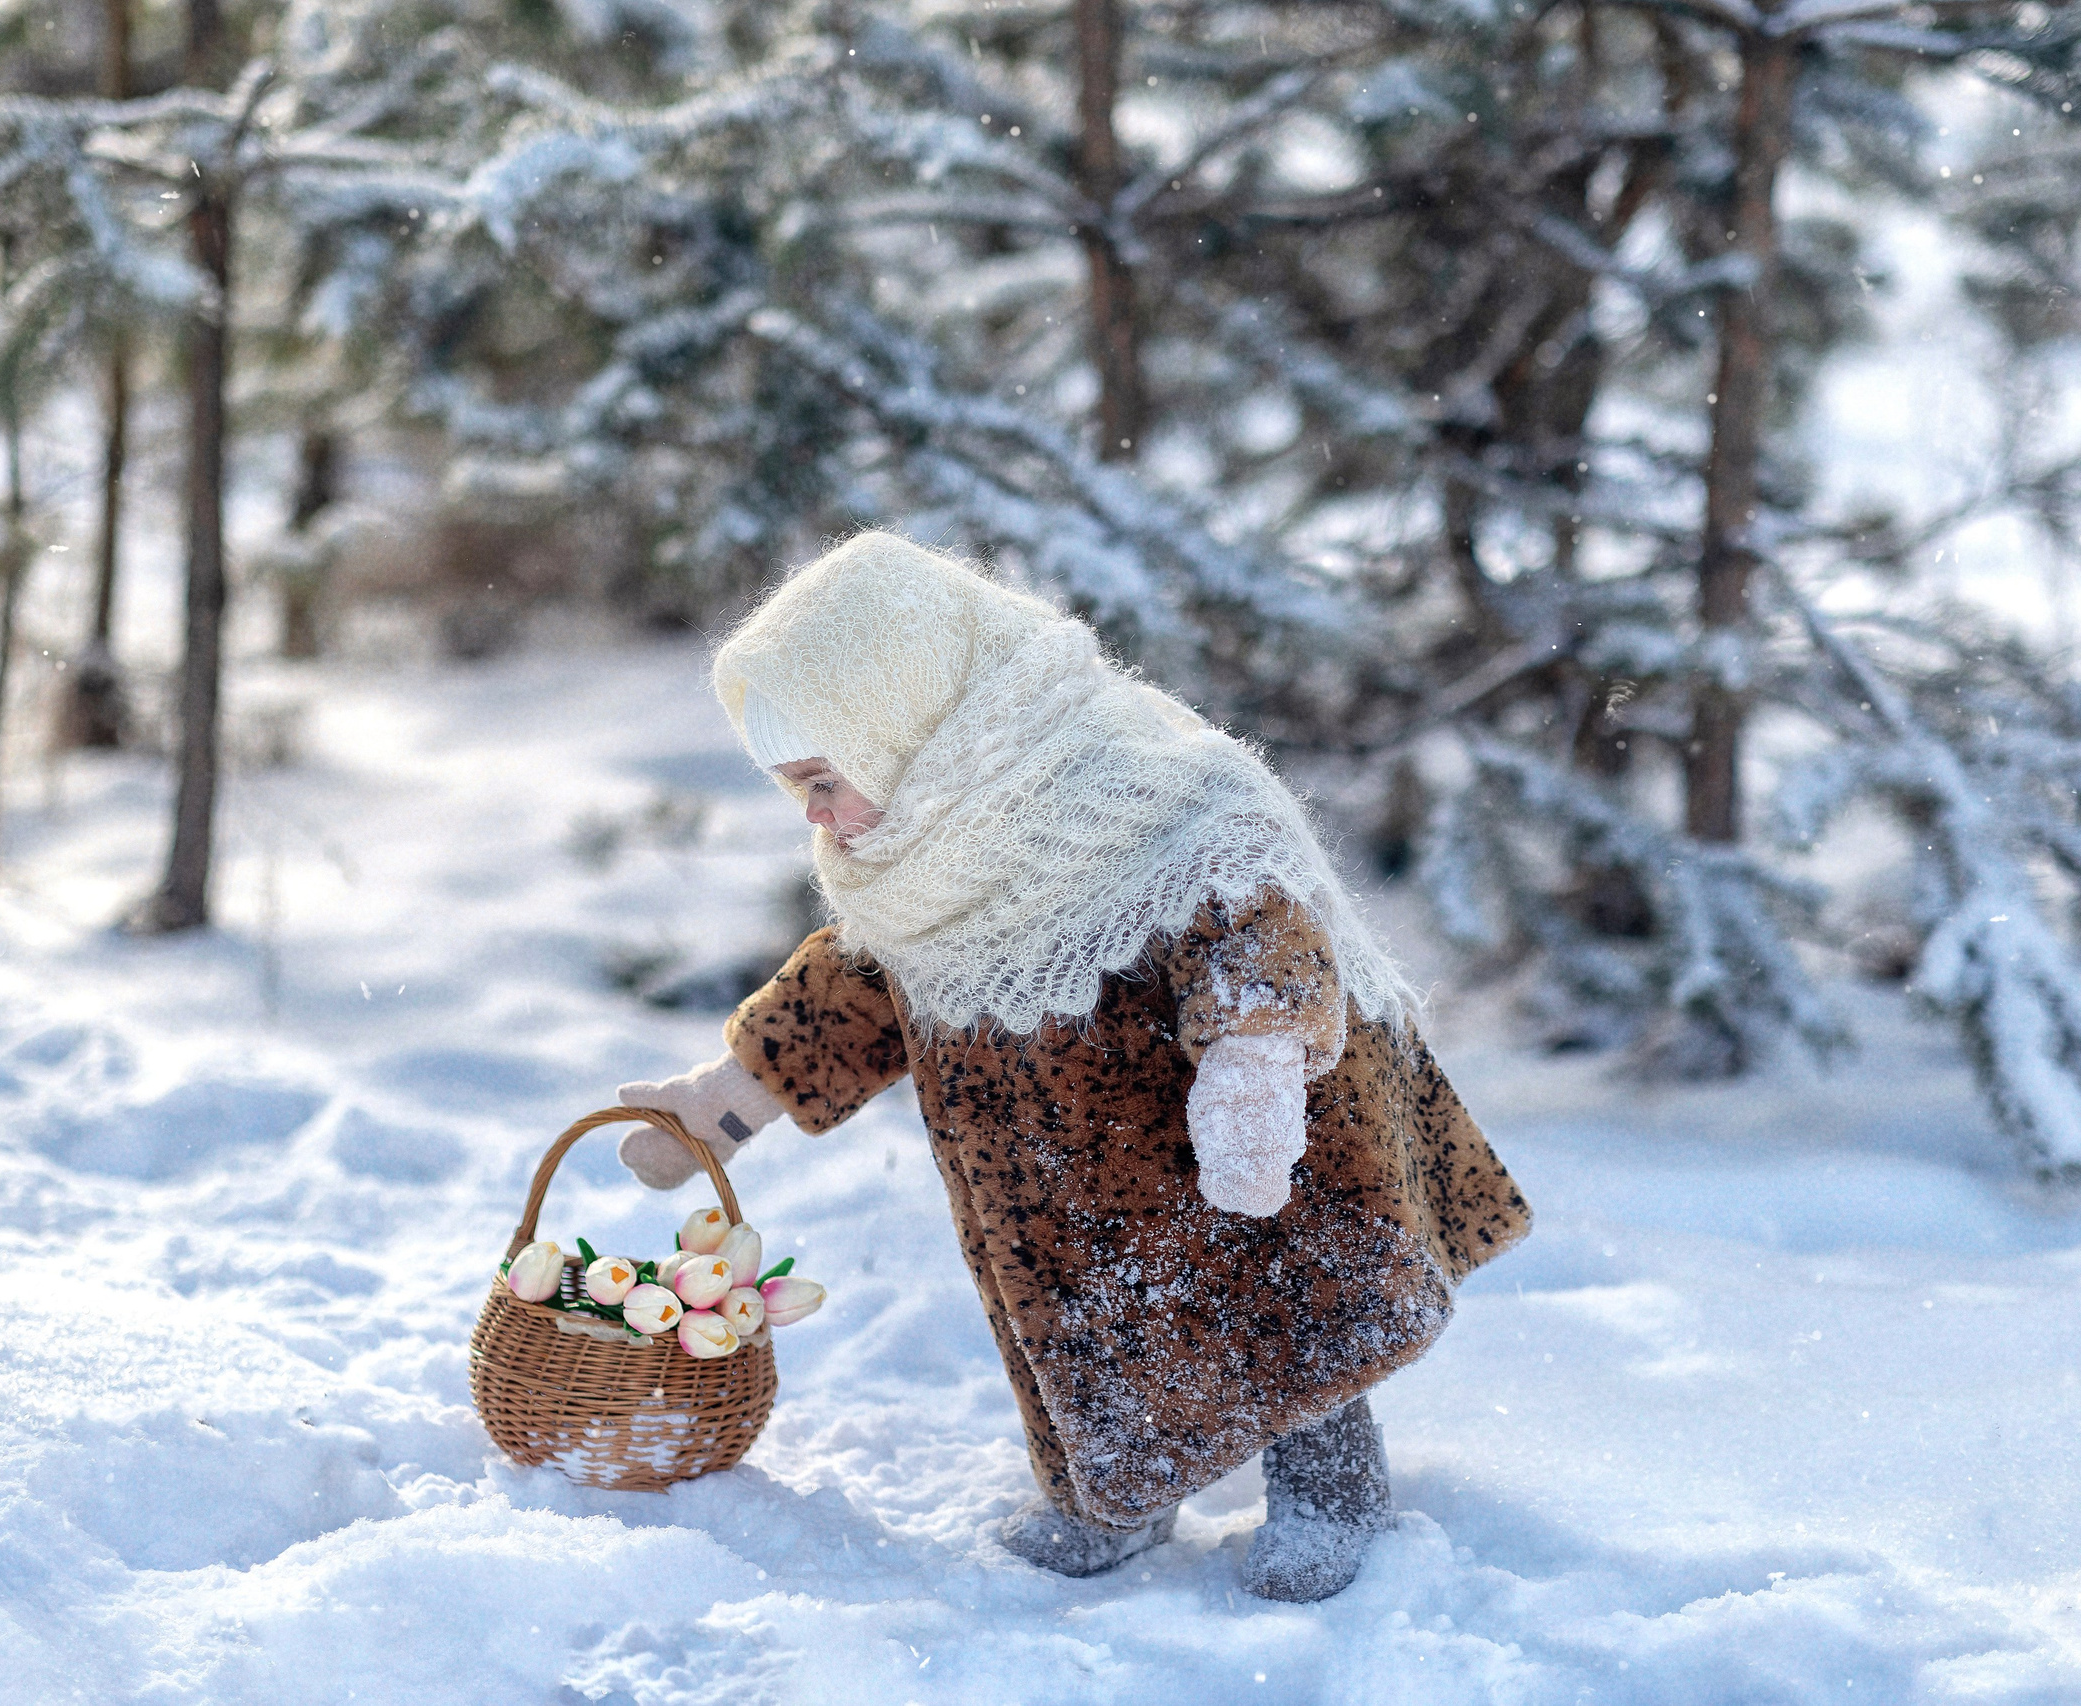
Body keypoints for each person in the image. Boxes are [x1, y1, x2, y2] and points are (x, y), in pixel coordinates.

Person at [614, 532, 1531, 1603]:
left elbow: (1250, 905)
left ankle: (1331, 1489)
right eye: (794, 788)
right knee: (1089, 1328)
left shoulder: (1144, 785)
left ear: (904, 729)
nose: (813, 814)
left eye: (824, 777)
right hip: (1052, 1181)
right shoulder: (910, 865)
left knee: (1285, 1302)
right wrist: (720, 1103)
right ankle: (1118, 1496)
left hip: (1225, 1137)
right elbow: (845, 997)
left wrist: (1252, 1065)